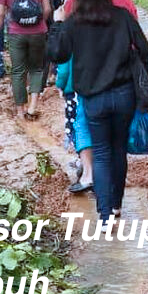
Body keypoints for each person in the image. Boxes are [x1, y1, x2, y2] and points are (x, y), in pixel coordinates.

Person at [49, 0, 148, 221]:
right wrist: (136, 72)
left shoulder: (73, 23)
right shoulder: (122, 16)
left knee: (102, 151)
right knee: (118, 149)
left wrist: (57, 23)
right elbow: (146, 55)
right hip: (124, 94)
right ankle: (116, 206)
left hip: (93, 98)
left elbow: (57, 54)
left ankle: (105, 215)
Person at [0, 0, 53, 120]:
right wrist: (40, 23)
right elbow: (47, 9)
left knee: (18, 71)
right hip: (38, 32)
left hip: (15, 33)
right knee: (36, 69)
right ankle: (33, 107)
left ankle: (20, 110)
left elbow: (0, 14)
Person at [55, 57, 94, 193]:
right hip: (97, 87)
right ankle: (90, 166)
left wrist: (60, 84)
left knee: (78, 129)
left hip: (74, 89)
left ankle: (87, 167)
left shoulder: (69, 42)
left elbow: (64, 69)